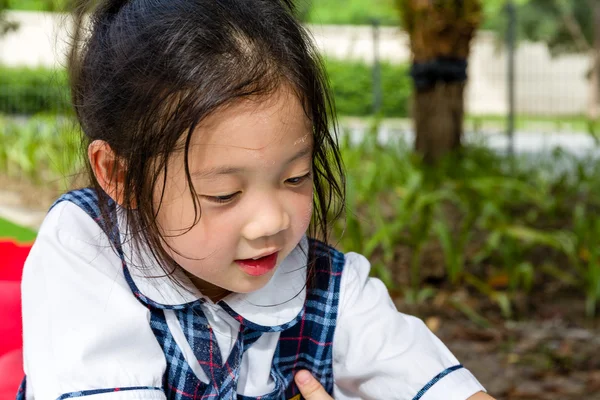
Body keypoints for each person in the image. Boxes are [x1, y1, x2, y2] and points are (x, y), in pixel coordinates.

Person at [18, 0, 494, 399]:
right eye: (224, 193)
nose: (271, 222)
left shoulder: (331, 288)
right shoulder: (88, 250)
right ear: (120, 175)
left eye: (295, 178)